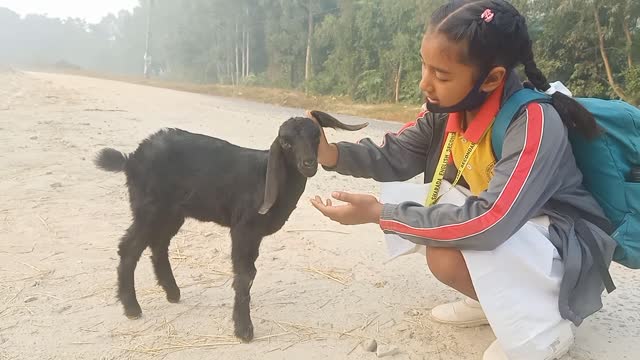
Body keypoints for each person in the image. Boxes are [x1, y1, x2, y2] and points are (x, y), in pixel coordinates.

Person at [308, 0, 617, 359]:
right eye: (424, 65)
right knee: (436, 217)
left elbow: (490, 221)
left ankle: (547, 325)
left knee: (443, 245)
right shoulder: (451, 110)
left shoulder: (533, 123)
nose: (425, 83)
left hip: (563, 244)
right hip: (519, 228)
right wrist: (328, 154)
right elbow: (396, 154)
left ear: (492, 78)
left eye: (441, 75)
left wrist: (383, 214)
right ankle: (495, 300)